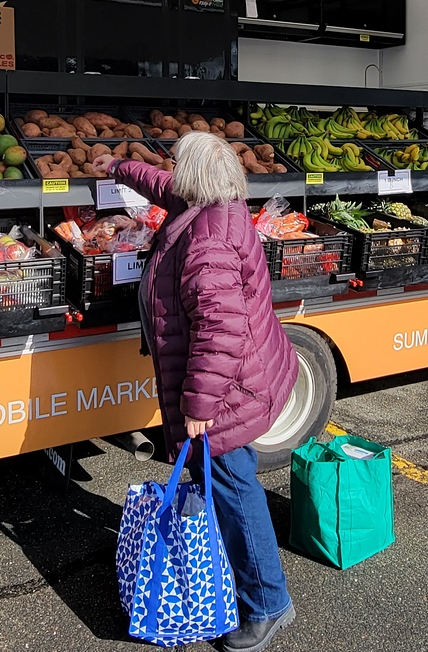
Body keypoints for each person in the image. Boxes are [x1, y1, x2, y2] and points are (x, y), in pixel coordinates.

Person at [91, 135, 297, 652]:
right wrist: (117, 166)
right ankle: (248, 578)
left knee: (233, 485)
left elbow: (219, 332)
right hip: (243, 376)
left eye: (180, 164)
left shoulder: (208, 245)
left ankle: (269, 605)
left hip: (225, 388)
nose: (172, 171)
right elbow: (165, 185)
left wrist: (199, 407)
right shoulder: (216, 202)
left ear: (196, 176)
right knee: (226, 479)